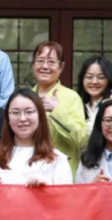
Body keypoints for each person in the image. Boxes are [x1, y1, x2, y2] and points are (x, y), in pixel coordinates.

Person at [0, 89, 72, 186]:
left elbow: (66, 194)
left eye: (29, 112)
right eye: (15, 113)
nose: (22, 118)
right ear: (8, 118)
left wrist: (47, 190)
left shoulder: (58, 160)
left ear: (40, 116)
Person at [31, 41, 88, 175]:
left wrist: (57, 111)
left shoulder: (71, 97)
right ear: (33, 65)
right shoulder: (26, 97)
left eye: (51, 62)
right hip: (31, 171)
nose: (45, 66)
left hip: (61, 173)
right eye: (40, 61)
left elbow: (80, 140)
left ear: (61, 67)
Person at [77, 56, 112, 134]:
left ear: (109, 80)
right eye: (89, 77)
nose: (94, 81)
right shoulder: (77, 105)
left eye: (101, 77)